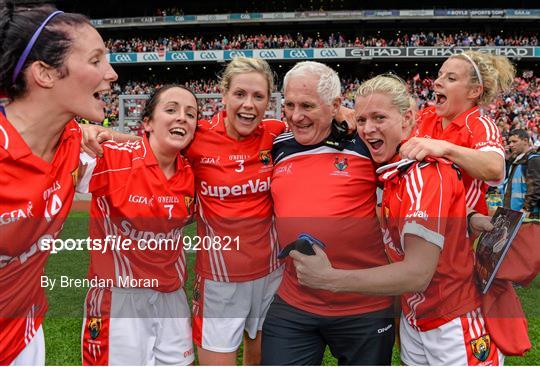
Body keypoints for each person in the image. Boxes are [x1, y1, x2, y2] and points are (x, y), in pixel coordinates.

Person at [290, 75, 504, 365]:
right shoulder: (392, 172)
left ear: (407, 120)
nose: (367, 129)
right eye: (362, 119)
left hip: (453, 324)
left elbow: (417, 274)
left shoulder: (423, 173)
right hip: (417, 320)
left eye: (379, 117)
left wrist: (329, 279)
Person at [0, 3, 118, 365]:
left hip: (24, 337)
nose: (111, 73)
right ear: (45, 74)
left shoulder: (71, 141)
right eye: (96, 60)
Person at [262, 62, 395, 365]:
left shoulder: (366, 143)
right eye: (290, 105)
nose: (296, 116)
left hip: (363, 306)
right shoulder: (278, 145)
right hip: (295, 302)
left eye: (307, 105)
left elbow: (415, 185)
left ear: (335, 105)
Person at [77, 85, 197, 365]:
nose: (182, 117)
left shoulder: (193, 173)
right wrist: (81, 131)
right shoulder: (112, 158)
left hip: (172, 298)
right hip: (119, 299)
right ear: (147, 123)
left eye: (190, 114)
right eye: (171, 110)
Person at [184, 57, 286, 365]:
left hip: (272, 274)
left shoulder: (276, 133)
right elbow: (150, 144)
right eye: (240, 94)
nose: (249, 104)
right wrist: (98, 133)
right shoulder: (195, 137)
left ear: (269, 100)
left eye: (258, 96)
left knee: (262, 357)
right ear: (224, 93)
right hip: (220, 279)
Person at [400, 51, 515, 215]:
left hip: (461, 230)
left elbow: (495, 169)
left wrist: (445, 148)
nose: (437, 82)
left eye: (451, 78)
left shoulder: (480, 124)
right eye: (440, 75)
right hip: (417, 219)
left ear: (474, 91)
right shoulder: (424, 116)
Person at [503, 129, 540, 218]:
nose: (511, 145)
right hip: (515, 212)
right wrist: (508, 158)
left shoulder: (533, 159)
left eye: (514, 141)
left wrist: (527, 208)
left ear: (525, 141)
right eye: (510, 142)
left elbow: (536, 186)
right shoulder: (517, 160)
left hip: (527, 214)